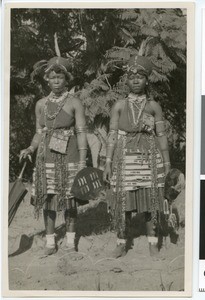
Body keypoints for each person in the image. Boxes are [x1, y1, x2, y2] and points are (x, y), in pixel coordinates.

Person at [103, 55, 171, 258]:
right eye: (131, 77)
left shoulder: (154, 106)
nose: (135, 80)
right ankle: (122, 242)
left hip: (149, 157)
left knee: (151, 199)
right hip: (124, 157)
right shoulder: (119, 106)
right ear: (126, 80)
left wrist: (166, 162)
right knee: (123, 200)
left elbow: (161, 135)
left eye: (140, 76)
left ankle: (153, 242)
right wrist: (107, 162)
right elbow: (112, 135)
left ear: (146, 79)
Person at [19, 56, 87, 255]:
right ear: (46, 79)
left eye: (60, 77)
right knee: (48, 199)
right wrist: (30, 149)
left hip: (71, 155)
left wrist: (83, 161)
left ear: (67, 79)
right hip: (46, 157)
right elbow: (39, 132)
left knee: (69, 199)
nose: (56, 81)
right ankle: (50, 242)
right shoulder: (41, 104)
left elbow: (82, 132)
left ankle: (70, 242)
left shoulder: (75, 102)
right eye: (52, 77)